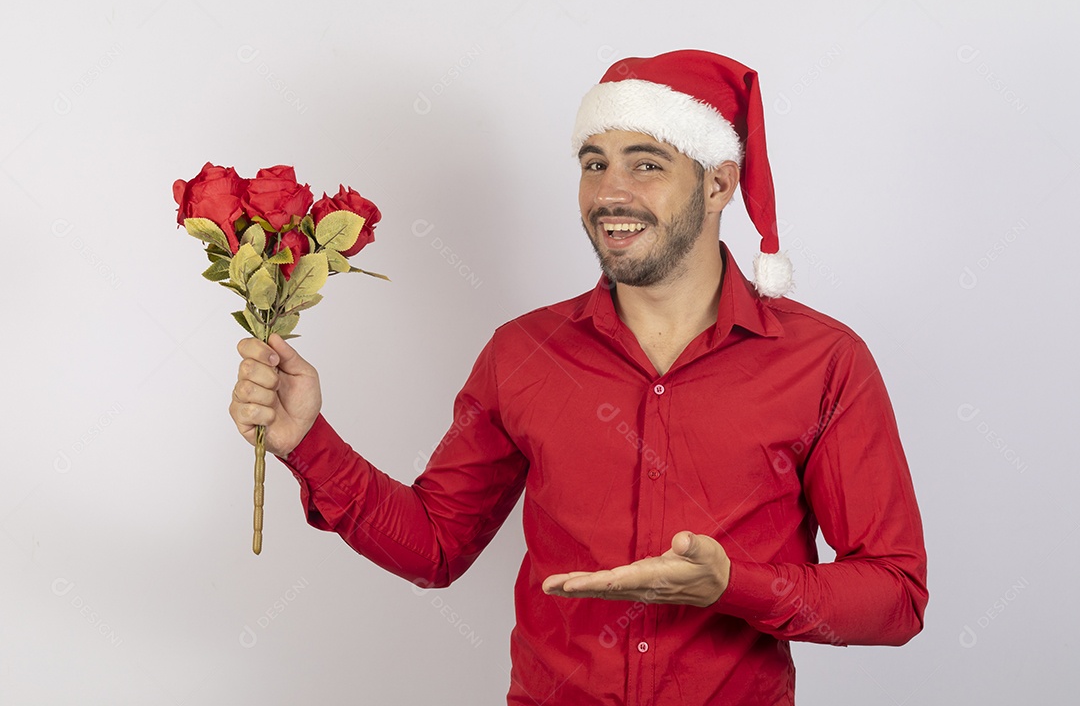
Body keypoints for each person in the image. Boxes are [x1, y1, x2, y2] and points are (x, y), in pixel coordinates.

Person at [229, 50, 927, 705]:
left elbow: (895, 597)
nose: (610, 193)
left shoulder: (824, 361)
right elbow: (437, 545)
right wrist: (306, 441)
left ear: (717, 183)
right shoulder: (522, 354)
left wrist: (732, 585)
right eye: (594, 164)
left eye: (646, 165)